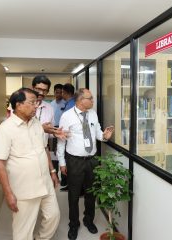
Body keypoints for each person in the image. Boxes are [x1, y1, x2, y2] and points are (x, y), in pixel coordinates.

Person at [0, 88, 60, 240]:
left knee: (53, 217)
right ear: (18, 105)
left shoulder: (36, 123)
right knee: (23, 230)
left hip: (45, 183)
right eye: (32, 102)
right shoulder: (5, 129)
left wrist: (53, 172)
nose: (36, 106)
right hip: (25, 189)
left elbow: (44, 148)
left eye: (37, 102)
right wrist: (8, 193)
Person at [57, 88, 114, 240]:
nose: (93, 101)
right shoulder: (67, 116)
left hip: (92, 160)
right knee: (74, 195)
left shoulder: (93, 114)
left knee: (91, 193)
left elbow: (97, 133)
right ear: (80, 100)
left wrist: (105, 136)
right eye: (90, 98)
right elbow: (61, 141)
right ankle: (73, 224)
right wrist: (62, 163)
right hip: (74, 160)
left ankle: (88, 220)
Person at [59, 83, 76, 190]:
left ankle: (71, 185)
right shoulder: (70, 103)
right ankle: (69, 184)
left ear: (65, 93)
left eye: (62, 92)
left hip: (69, 137)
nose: (61, 94)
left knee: (69, 163)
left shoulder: (71, 105)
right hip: (68, 136)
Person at [50, 84, 66, 178]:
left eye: (60, 92)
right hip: (53, 130)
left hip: (63, 130)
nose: (59, 94)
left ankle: (64, 177)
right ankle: (55, 174)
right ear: (54, 92)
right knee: (53, 154)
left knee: (62, 152)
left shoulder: (65, 103)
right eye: (57, 92)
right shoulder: (51, 104)